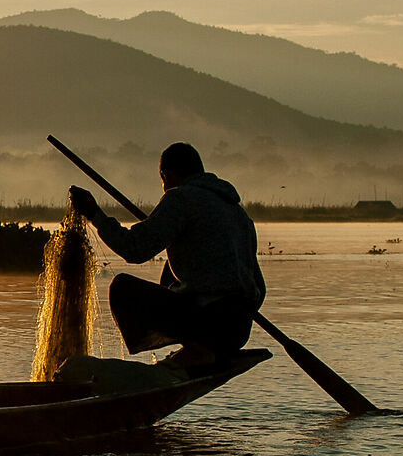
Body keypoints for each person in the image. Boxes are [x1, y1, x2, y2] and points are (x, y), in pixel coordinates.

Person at [67, 142, 265, 369]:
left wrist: (95, 214)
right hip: (238, 330)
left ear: (167, 175)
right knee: (169, 273)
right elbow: (260, 288)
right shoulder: (238, 212)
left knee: (123, 288)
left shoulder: (180, 199)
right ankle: (201, 347)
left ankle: (197, 347)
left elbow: (135, 249)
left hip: (207, 322)